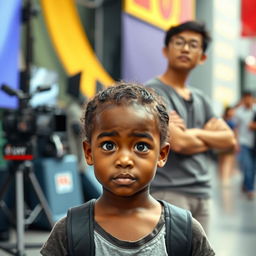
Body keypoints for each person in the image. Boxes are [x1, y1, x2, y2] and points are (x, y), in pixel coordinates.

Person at [40, 82, 215, 255]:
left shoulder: (185, 231)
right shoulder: (69, 232)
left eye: (141, 147)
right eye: (109, 145)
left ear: (162, 155)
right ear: (89, 152)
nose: (124, 160)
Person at [145, 21, 236, 233]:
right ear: (166, 50)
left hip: (202, 194)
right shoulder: (154, 92)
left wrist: (194, 133)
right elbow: (181, 143)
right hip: (169, 193)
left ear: (202, 57)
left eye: (194, 45)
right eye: (180, 42)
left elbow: (230, 141)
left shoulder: (201, 98)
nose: (186, 48)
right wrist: (209, 138)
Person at [233, 91, 256, 200]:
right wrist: (236, 142)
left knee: (252, 167)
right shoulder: (239, 112)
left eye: (250, 98)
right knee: (247, 166)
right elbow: (236, 128)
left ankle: (246, 184)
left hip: (254, 143)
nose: (248, 100)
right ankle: (250, 189)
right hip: (244, 142)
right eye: (246, 98)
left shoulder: (255, 110)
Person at [218, 106, 238, 186]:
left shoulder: (231, 120)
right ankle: (224, 178)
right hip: (224, 143)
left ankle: (225, 178)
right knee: (223, 161)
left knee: (227, 161)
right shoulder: (224, 120)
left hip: (228, 143)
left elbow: (235, 133)